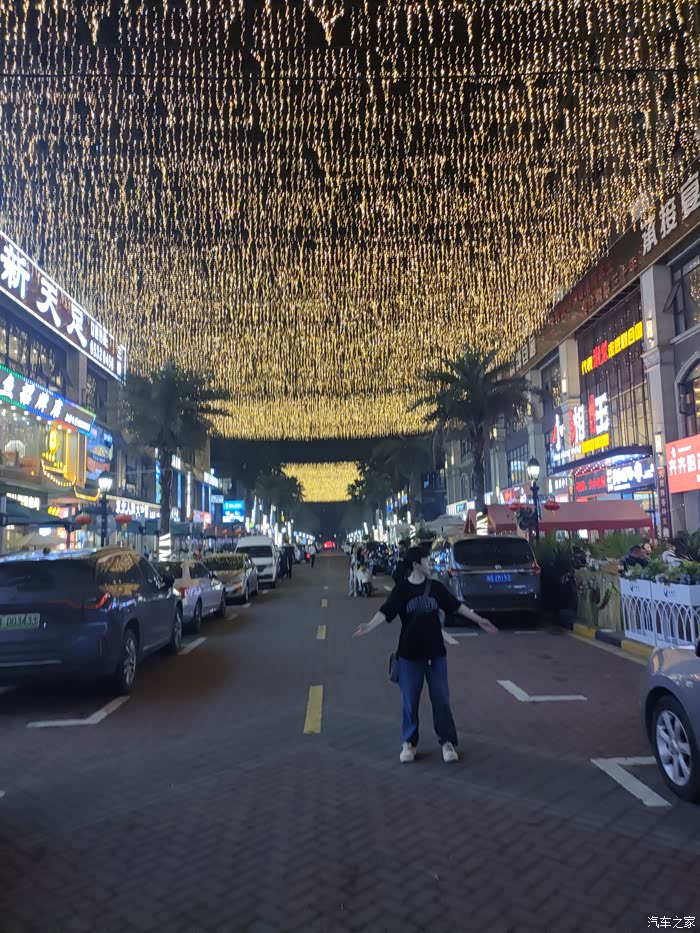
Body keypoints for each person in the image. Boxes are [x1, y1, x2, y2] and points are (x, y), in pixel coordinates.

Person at [354, 546, 497, 764]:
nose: (430, 563)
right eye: (426, 559)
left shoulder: (436, 588)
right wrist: (369, 626)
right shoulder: (402, 590)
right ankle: (409, 742)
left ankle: (447, 742)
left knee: (441, 700)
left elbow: (455, 606)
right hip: (409, 656)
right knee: (410, 702)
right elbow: (387, 611)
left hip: (436, 654)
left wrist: (479, 620)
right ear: (415, 564)